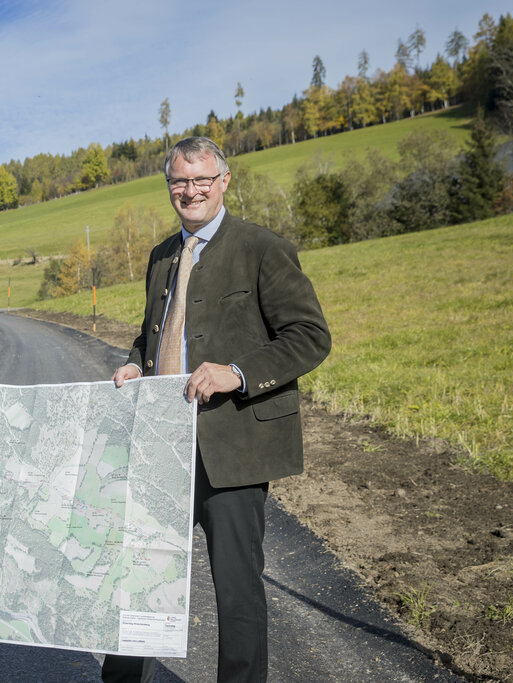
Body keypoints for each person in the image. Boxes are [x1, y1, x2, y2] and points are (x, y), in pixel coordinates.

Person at [102, 138, 330, 683]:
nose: (190, 191)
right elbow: (150, 336)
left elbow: (310, 336)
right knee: (140, 575)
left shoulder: (261, 247)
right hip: (162, 445)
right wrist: (136, 363)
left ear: (224, 181)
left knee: (236, 589)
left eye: (202, 180)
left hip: (232, 449)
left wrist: (239, 372)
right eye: (179, 182)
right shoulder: (162, 256)